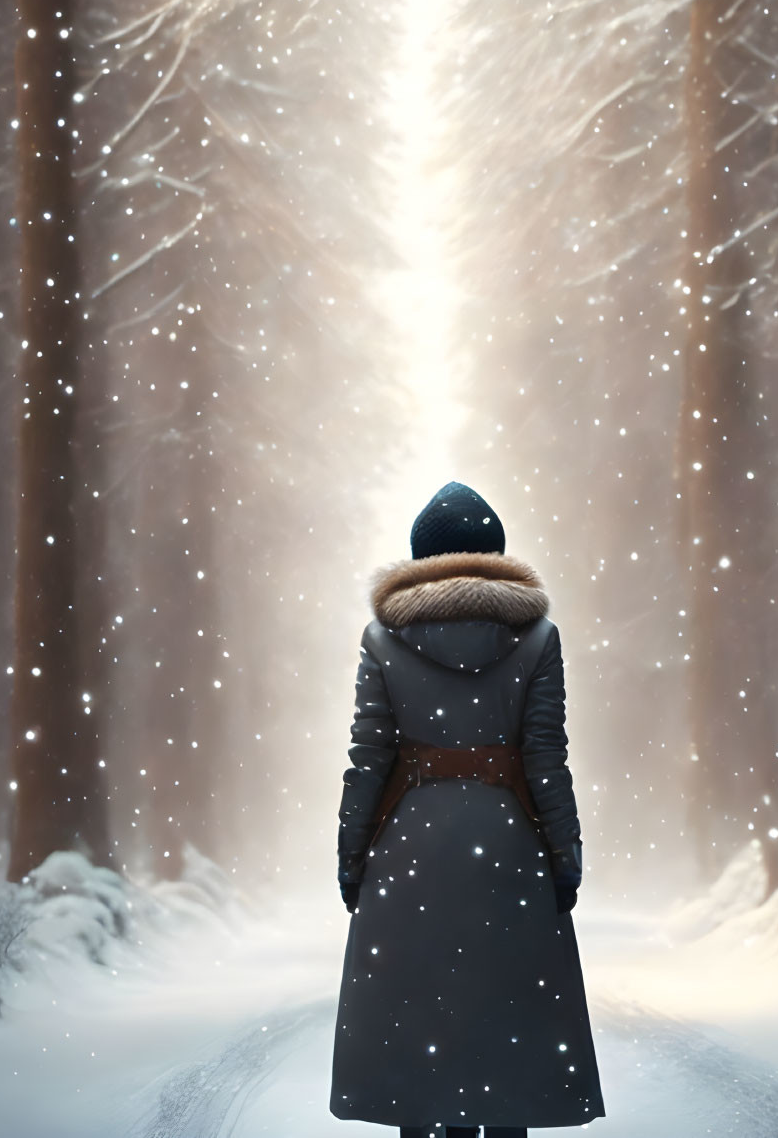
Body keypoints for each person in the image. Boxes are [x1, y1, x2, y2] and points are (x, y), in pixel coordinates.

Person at [329, 481, 607, 1134]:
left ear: (420, 556)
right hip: (509, 851)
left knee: (421, 1042)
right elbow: (545, 758)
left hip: (409, 854)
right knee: (506, 1033)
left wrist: (351, 858)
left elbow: (368, 758)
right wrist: (564, 855)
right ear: (495, 555)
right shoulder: (537, 637)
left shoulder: (383, 637)